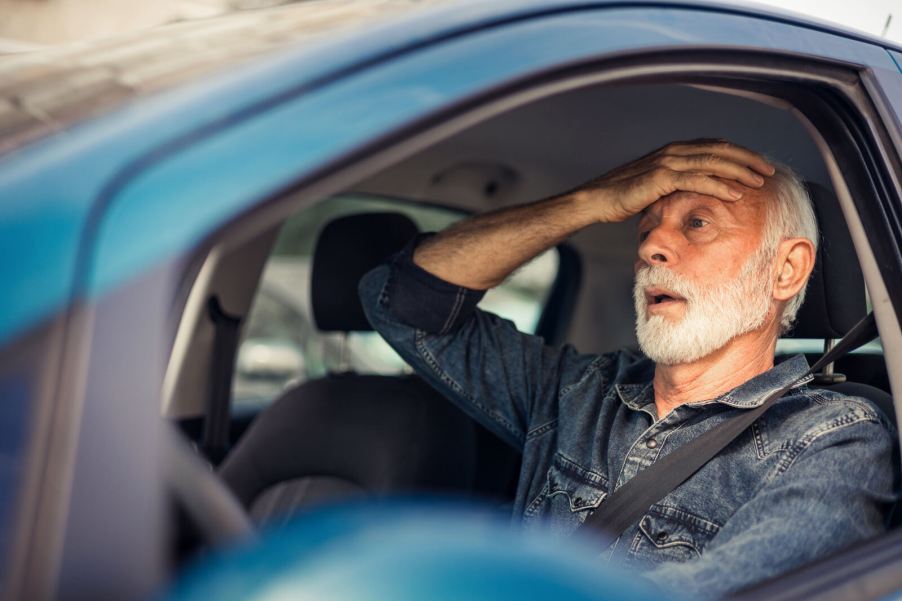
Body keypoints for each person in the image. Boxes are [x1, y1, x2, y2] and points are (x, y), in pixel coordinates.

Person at [358, 139, 896, 596]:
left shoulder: (831, 440)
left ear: (786, 270)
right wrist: (589, 202)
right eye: (645, 231)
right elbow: (399, 302)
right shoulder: (578, 391)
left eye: (698, 223)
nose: (654, 246)